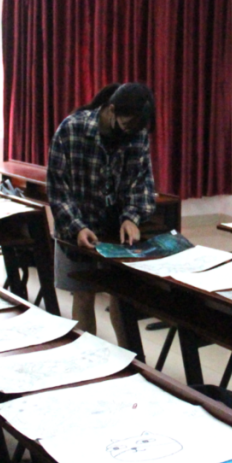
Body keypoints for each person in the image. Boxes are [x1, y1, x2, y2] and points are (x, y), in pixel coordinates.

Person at [48, 83, 157, 340]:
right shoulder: (72, 129)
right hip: (77, 229)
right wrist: (77, 227)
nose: (129, 134)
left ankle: (129, 357)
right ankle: (86, 358)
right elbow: (57, 189)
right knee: (83, 294)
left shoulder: (137, 134)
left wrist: (131, 217)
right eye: (125, 126)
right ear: (111, 110)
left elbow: (141, 183)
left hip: (115, 233)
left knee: (121, 296)